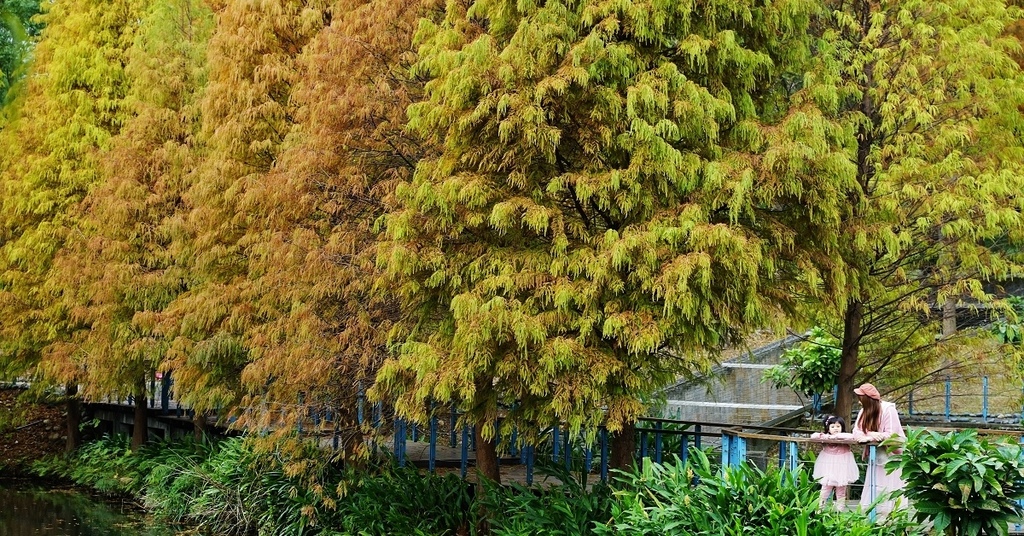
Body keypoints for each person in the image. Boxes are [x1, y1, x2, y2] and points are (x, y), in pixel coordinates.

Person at [852, 382, 906, 515]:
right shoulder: (864, 411)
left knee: (889, 486)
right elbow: (856, 431)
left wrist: (872, 436)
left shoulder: (888, 410)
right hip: (875, 456)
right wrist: (871, 435)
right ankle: (873, 515)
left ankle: (889, 515)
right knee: (875, 485)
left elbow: (891, 434)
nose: (859, 402)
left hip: (891, 455)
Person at [810, 414, 859, 510]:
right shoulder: (825, 437)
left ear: (842, 427)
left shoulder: (845, 437)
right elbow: (814, 436)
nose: (835, 429)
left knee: (841, 490)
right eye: (832, 427)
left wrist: (837, 437)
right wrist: (828, 437)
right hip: (828, 467)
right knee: (825, 488)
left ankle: (840, 511)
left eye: (838, 426)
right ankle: (819, 509)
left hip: (842, 466)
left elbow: (852, 437)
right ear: (828, 428)